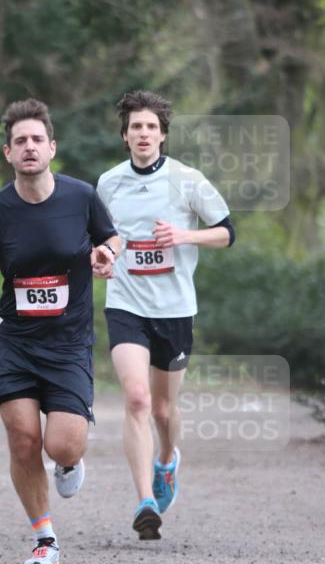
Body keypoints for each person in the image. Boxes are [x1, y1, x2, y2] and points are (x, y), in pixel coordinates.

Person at [0, 99, 120, 564]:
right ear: (8, 152)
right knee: (24, 440)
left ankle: (68, 463)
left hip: (68, 344)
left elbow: (112, 237)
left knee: (61, 446)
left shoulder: (80, 197)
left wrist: (107, 252)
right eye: (20, 141)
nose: (29, 148)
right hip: (16, 342)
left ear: (52, 148)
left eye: (36, 140)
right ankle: (45, 540)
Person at [96, 90, 235, 540]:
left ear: (163, 135)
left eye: (151, 127)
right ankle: (145, 501)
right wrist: (100, 256)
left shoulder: (187, 180)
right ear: (124, 136)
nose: (143, 133)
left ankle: (167, 460)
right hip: (125, 302)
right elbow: (99, 238)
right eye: (136, 126)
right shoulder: (109, 184)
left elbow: (227, 233)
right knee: (136, 399)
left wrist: (183, 236)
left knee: (162, 407)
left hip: (174, 308)